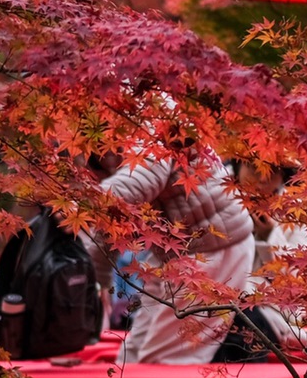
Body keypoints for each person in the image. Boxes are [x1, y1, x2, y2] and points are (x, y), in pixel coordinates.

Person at [97, 146, 255, 364]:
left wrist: (85, 205)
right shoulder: (108, 132)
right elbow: (108, 223)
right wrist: (100, 279)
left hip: (211, 249)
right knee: (134, 354)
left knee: (167, 359)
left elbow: (142, 175)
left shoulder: (154, 125)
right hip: (171, 252)